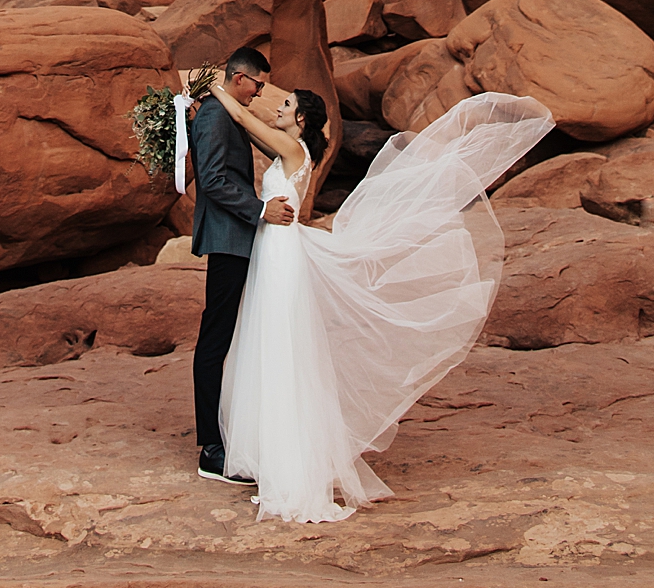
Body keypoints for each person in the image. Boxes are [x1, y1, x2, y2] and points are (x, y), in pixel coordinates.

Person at [210, 73, 553, 524]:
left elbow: (240, 115)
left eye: (287, 102)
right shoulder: (291, 149)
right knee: (276, 344)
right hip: (276, 248)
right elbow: (257, 135)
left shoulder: (293, 149)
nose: (278, 105)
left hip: (281, 253)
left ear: (301, 117)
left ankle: (290, 471)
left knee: (280, 346)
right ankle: (280, 461)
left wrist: (210, 87)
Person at [188, 44, 296, 484]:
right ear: (239, 78)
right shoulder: (214, 116)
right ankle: (210, 448)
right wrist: (259, 210)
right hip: (229, 237)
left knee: (233, 332)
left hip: (240, 238)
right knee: (216, 336)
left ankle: (232, 432)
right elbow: (212, 180)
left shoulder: (220, 110)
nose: (260, 92)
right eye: (258, 84)